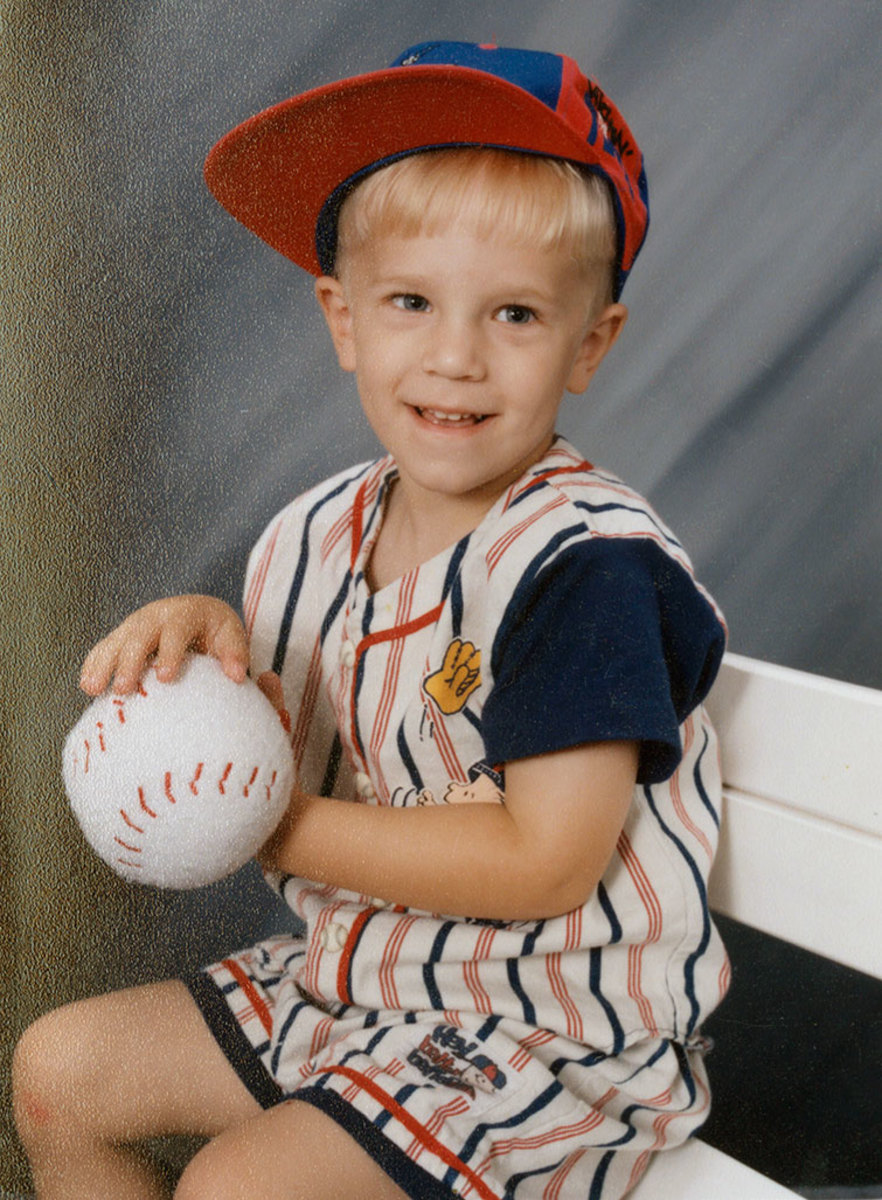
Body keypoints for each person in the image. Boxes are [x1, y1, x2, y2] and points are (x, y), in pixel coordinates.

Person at [13, 41, 730, 1200]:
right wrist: (206, 646)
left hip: (550, 1033)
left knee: (236, 1188)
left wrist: (274, 828)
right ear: (343, 320)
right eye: (410, 302)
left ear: (588, 344)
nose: (454, 355)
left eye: (514, 313)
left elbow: (546, 861)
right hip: (364, 988)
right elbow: (288, 731)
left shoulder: (586, 567)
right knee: (59, 1073)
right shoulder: (312, 533)